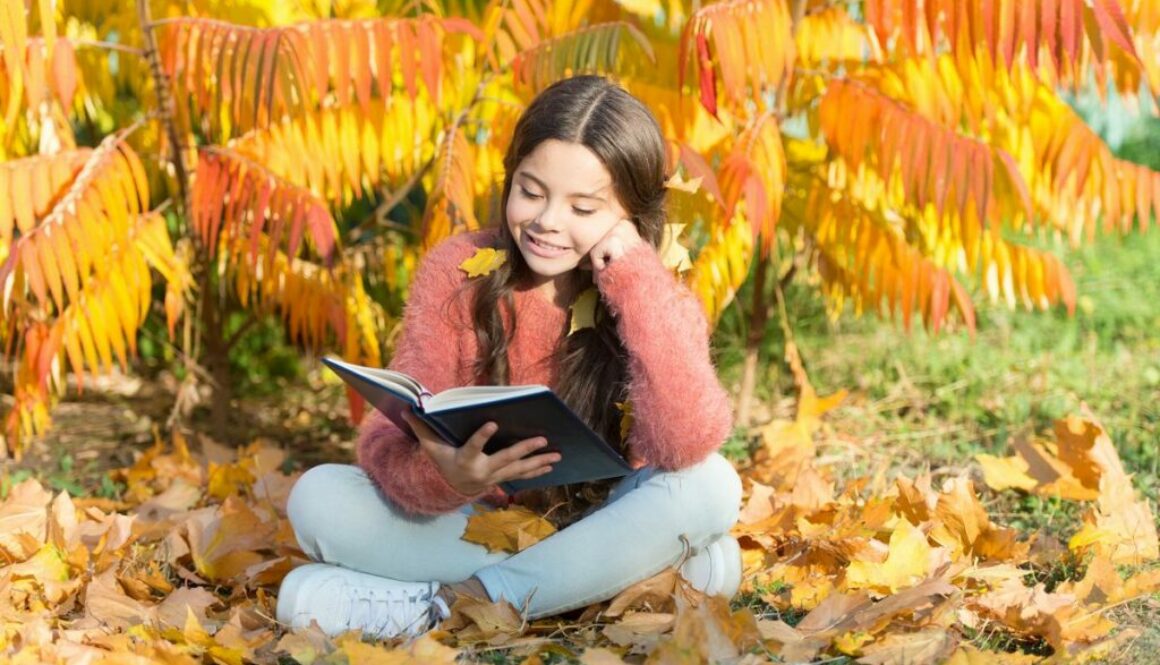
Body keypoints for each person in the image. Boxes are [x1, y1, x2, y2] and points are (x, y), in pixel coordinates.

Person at [276, 75, 742, 639]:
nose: (547, 221)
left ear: (630, 217)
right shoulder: (458, 269)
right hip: (475, 524)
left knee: (713, 485)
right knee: (317, 498)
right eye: (532, 191)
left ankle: (456, 605)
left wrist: (636, 280)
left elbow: (686, 442)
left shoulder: (652, 286)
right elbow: (384, 444)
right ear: (509, 177)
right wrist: (448, 478)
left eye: (584, 207)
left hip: (606, 516)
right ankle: (616, 584)